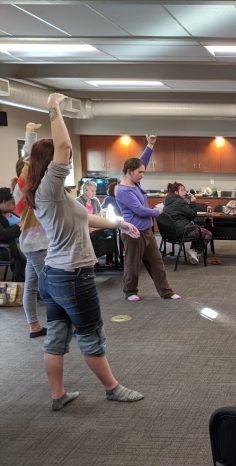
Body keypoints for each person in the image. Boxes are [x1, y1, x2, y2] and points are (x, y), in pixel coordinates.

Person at [24, 93, 144, 411]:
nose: (69, 161)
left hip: (54, 274)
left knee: (58, 337)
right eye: (64, 161)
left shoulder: (48, 193)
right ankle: (112, 388)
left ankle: (58, 395)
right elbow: (63, 148)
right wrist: (54, 107)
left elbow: (86, 217)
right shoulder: (50, 189)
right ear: (51, 165)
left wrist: (119, 225)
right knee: (91, 334)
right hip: (72, 275)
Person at [115, 135, 181, 302]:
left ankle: (166, 292)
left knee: (157, 264)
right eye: (140, 173)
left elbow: (141, 161)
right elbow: (139, 210)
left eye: (143, 172)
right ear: (129, 172)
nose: (142, 175)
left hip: (146, 231)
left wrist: (150, 145)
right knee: (132, 265)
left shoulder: (134, 182)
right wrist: (157, 211)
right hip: (133, 233)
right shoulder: (124, 190)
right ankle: (130, 292)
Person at [13, 122, 48, 338]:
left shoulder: (24, 193)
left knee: (32, 285)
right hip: (38, 245)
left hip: (30, 244)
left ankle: (34, 325)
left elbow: (28, 161)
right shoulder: (24, 191)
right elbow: (28, 160)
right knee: (50, 286)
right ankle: (61, 325)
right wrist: (30, 133)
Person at [163, 181, 212, 264]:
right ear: (176, 192)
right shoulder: (180, 202)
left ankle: (193, 253)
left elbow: (180, 215)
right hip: (182, 231)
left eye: (185, 190)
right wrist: (193, 203)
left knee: (197, 229)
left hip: (170, 233)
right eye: (182, 190)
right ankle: (194, 251)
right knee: (207, 234)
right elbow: (192, 215)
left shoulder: (167, 202)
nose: (185, 192)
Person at [0, 187, 26, 282]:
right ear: (3, 202)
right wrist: (20, 226)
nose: (13, 203)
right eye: (11, 201)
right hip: (12, 247)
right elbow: (2, 234)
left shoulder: (13, 214)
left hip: (23, 242)